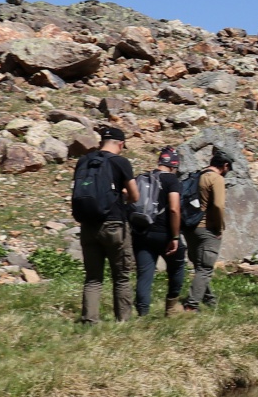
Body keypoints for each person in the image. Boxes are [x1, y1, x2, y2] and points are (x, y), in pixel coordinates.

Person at [71, 126, 138, 323]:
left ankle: (89, 321)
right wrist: (123, 195)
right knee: (121, 277)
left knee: (93, 278)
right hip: (113, 225)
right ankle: (123, 321)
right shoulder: (121, 162)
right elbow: (135, 196)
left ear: (101, 143)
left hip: (88, 225)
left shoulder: (84, 161)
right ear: (121, 144)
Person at [132, 146, 186, 317]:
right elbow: (174, 209)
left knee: (144, 274)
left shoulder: (142, 177)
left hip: (141, 232)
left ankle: (143, 314)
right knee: (177, 267)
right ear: (174, 165)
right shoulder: (172, 181)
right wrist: (175, 236)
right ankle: (171, 307)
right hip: (164, 234)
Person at [184, 151, 232, 311]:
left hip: (190, 227)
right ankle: (191, 305)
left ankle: (210, 300)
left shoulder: (197, 176)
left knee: (200, 267)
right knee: (205, 268)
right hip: (207, 228)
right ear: (225, 165)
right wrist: (218, 228)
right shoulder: (216, 178)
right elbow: (218, 205)